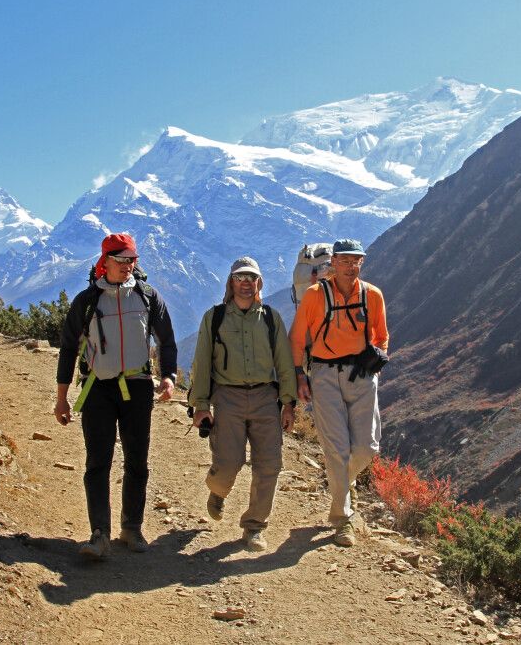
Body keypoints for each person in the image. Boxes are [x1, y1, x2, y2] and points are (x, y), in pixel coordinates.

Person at [54, 233, 177, 559]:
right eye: (122, 260)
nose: (128, 266)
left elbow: (167, 340)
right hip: (97, 388)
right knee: (98, 462)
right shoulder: (87, 301)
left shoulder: (148, 297)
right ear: (105, 260)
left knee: (137, 460)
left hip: (137, 386)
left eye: (132, 260)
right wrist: (61, 397)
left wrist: (168, 376)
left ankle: (131, 528)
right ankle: (99, 534)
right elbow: (68, 349)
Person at [188, 257, 296, 552]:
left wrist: (288, 402)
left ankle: (254, 527)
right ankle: (217, 490)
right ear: (231, 283)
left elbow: (284, 363)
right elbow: (201, 361)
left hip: (265, 399)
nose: (246, 283)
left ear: (259, 283)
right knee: (228, 463)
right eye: (240, 278)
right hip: (228, 397)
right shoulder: (216, 317)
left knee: (269, 465)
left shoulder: (271, 319)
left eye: (252, 278)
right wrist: (200, 404)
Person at [289, 239, 388, 547]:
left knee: (367, 448)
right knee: (336, 448)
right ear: (334, 263)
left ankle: (342, 479)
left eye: (356, 261)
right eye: (345, 261)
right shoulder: (316, 296)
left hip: (361, 375)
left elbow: (382, 336)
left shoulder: (372, 295)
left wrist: (377, 363)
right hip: (324, 375)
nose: (351, 266)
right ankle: (342, 518)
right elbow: (297, 337)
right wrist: (298, 376)